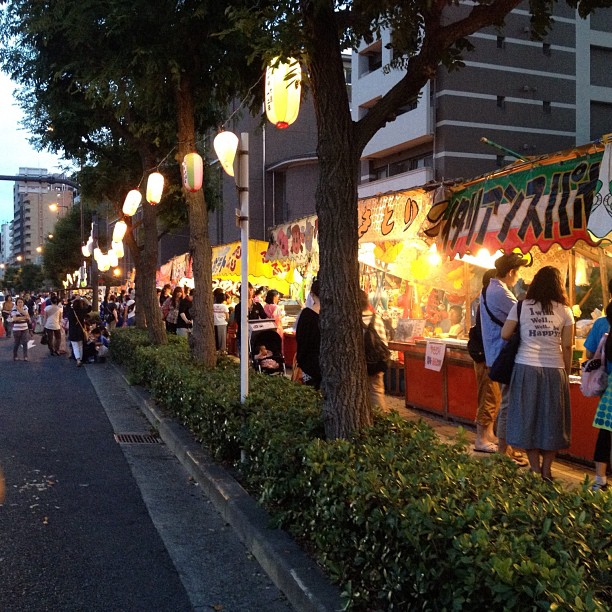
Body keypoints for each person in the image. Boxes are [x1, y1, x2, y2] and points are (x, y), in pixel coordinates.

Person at [502, 266, 574, 482]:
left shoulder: (521, 306)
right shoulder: (565, 310)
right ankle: (547, 470)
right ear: (558, 285)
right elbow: (568, 346)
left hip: (525, 367)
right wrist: (567, 373)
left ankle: (534, 468)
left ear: (534, 283)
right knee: (551, 421)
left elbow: (505, 334)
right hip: (555, 369)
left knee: (528, 419)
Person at [480, 252, 529, 465]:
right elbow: (523, 316)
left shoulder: (489, 288)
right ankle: (504, 450)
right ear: (510, 272)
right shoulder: (501, 293)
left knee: (504, 400)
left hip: (496, 353)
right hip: (504, 355)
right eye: (517, 273)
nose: (518, 277)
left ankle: (506, 447)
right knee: (508, 401)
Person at [583, 295, 612, 491]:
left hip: (607, 388)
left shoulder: (602, 323)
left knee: (606, 433)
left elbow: (588, 355)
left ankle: (599, 479)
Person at [472, 269, 501, 452]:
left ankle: (488, 433)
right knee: (488, 396)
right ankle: (481, 438)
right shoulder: (488, 301)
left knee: (494, 396)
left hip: (487, 356)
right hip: (485, 357)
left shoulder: (485, 300)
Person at [360, 289, 388, 410]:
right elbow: (384, 342)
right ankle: (381, 419)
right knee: (376, 392)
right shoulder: (377, 318)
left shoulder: (351, 320)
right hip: (376, 362)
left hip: (360, 363)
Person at [296, 279, 321, 389]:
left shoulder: (306, 314)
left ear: (312, 294)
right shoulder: (333, 315)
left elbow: (300, 339)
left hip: (309, 364)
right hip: (328, 367)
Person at [234, 282, 267, 353]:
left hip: (256, 337)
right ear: (241, 293)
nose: (249, 293)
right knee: (244, 358)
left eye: (251, 290)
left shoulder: (257, 305)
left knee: (256, 358)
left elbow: (264, 317)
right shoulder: (238, 307)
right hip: (243, 337)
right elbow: (238, 321)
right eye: (246, 290)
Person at [68, 296, 92, 367]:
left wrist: (74, 299)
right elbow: (90, 307)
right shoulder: (82, 310)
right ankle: (81, 359)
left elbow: (68, 304)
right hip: (80, 330)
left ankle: (78, 360)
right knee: (80, 345)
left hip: (72, 330)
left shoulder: (71, 311)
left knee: (75, 345)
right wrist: (84, 299)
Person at [11, 297, 32, 361]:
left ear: (23, 303)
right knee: (17, 343)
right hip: (16, 329)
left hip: (25, 328)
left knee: (25, 342)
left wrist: (20, 311)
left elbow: (27, 316)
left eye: (21, 302)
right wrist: (24, 317)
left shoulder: (25, 307)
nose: (20, 303)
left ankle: (25, 356)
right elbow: (14, 319)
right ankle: (15, 356)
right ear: (16, 303)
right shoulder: (14, 308)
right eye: (19, 302)